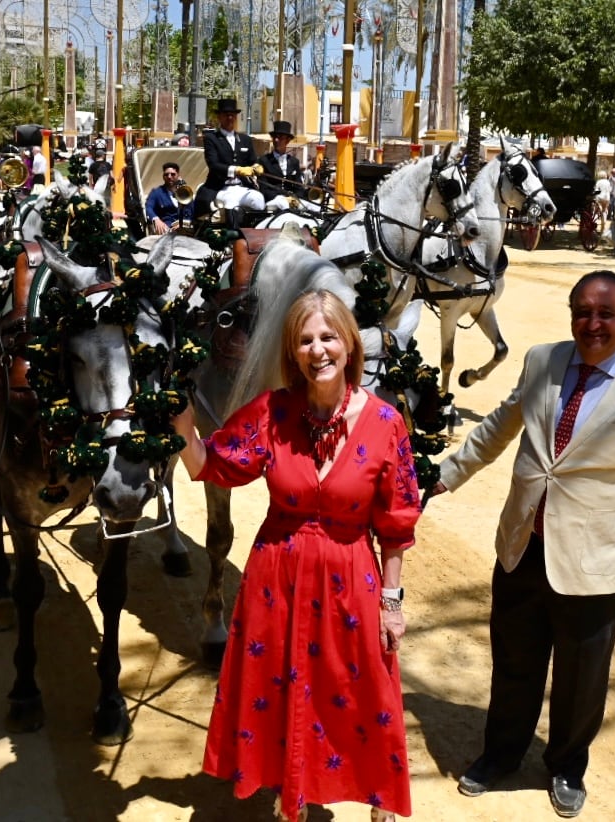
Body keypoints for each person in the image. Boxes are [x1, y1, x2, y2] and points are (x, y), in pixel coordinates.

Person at [435, 271, 615, 819]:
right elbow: (499, 426)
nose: (593, 324)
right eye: (582, 312)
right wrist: (445, 475)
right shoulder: (542, 360)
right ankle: (501, 754)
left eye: (606, 314)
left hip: (594, 561)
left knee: (581, 676)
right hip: (524, 544)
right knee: (514, 662)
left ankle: (567, 766)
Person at [171, 290, 421, 822]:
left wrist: (392, 602)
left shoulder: (385, 422)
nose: (317, 350)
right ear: (293, 351)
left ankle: (375, 791)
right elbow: (211, 466)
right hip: (275, 580)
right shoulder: (273, 411)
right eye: (305, 341)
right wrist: (184, 430)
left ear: (349, 344)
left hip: (351, 578)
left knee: (360, 690)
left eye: (328, 337)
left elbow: (396, 524)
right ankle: (293, 795)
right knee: (281, 688)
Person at [199, 98, 264, 226]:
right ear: (219, 117)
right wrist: (237, 170)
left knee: (258, 199)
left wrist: (256, 167)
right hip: (221, 187)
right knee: (231, 202)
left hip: (242, 186)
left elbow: (252, 161)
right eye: (226, 115)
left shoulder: (245, 139)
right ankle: (233, 233)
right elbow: (213, 164)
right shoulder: (211, 139)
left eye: (232, 115)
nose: (230, 118)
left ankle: (255, 231)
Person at [257, 120, 305, 212]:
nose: (276, 140)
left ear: (287, 140)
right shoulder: (264, 160)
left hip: (291, 200)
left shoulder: (294, 162)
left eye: (280, 137)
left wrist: (295, 198)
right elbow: (264, 188)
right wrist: (282, 197)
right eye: (274, 137)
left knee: (312, 207)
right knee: (283, 204)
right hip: (274, 200)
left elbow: (299, 186)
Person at [144, 161, 193, 233]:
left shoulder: (185, 191)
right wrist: (156, 219)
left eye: (173, 174)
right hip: (167, 228)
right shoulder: (156, 192)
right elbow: (148, 207)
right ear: (163, 176)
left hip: (186, 227)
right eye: (166, 174)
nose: (169, 177)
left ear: (178, 175)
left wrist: (184, 224)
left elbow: (192, 211)